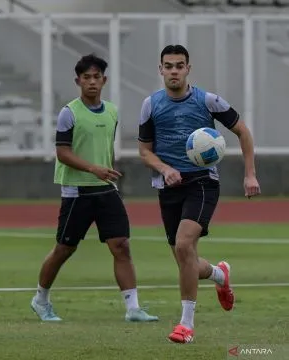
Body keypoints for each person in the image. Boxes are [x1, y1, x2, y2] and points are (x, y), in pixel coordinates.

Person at [138, 44, 261, 344]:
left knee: (184, 243)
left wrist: (250, 174)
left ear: (188, 69)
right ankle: (220, 275)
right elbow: (144, 150)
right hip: (168, 186)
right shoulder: (151, 105)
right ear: (161, 69)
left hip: (202, 182)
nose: (174, 71)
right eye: (169, 66)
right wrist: (164, 168)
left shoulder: (207, 101)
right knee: (185, 259)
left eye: (180, 65)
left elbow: (243, 131)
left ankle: (186, 325)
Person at [30, 54, 158, 323]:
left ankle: (133, 308)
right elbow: (62, 152)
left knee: (121, 245)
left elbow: (105, 147)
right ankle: (40, 300)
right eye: (86, 77)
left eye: (96, 77)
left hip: (106, 189)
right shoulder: (69, 112)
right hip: (77, 191)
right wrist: (93, 168)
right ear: (78, 81)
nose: (91, 82)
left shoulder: (112, 111)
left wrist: (106, 171)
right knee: (64, 248)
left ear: (104, 80)